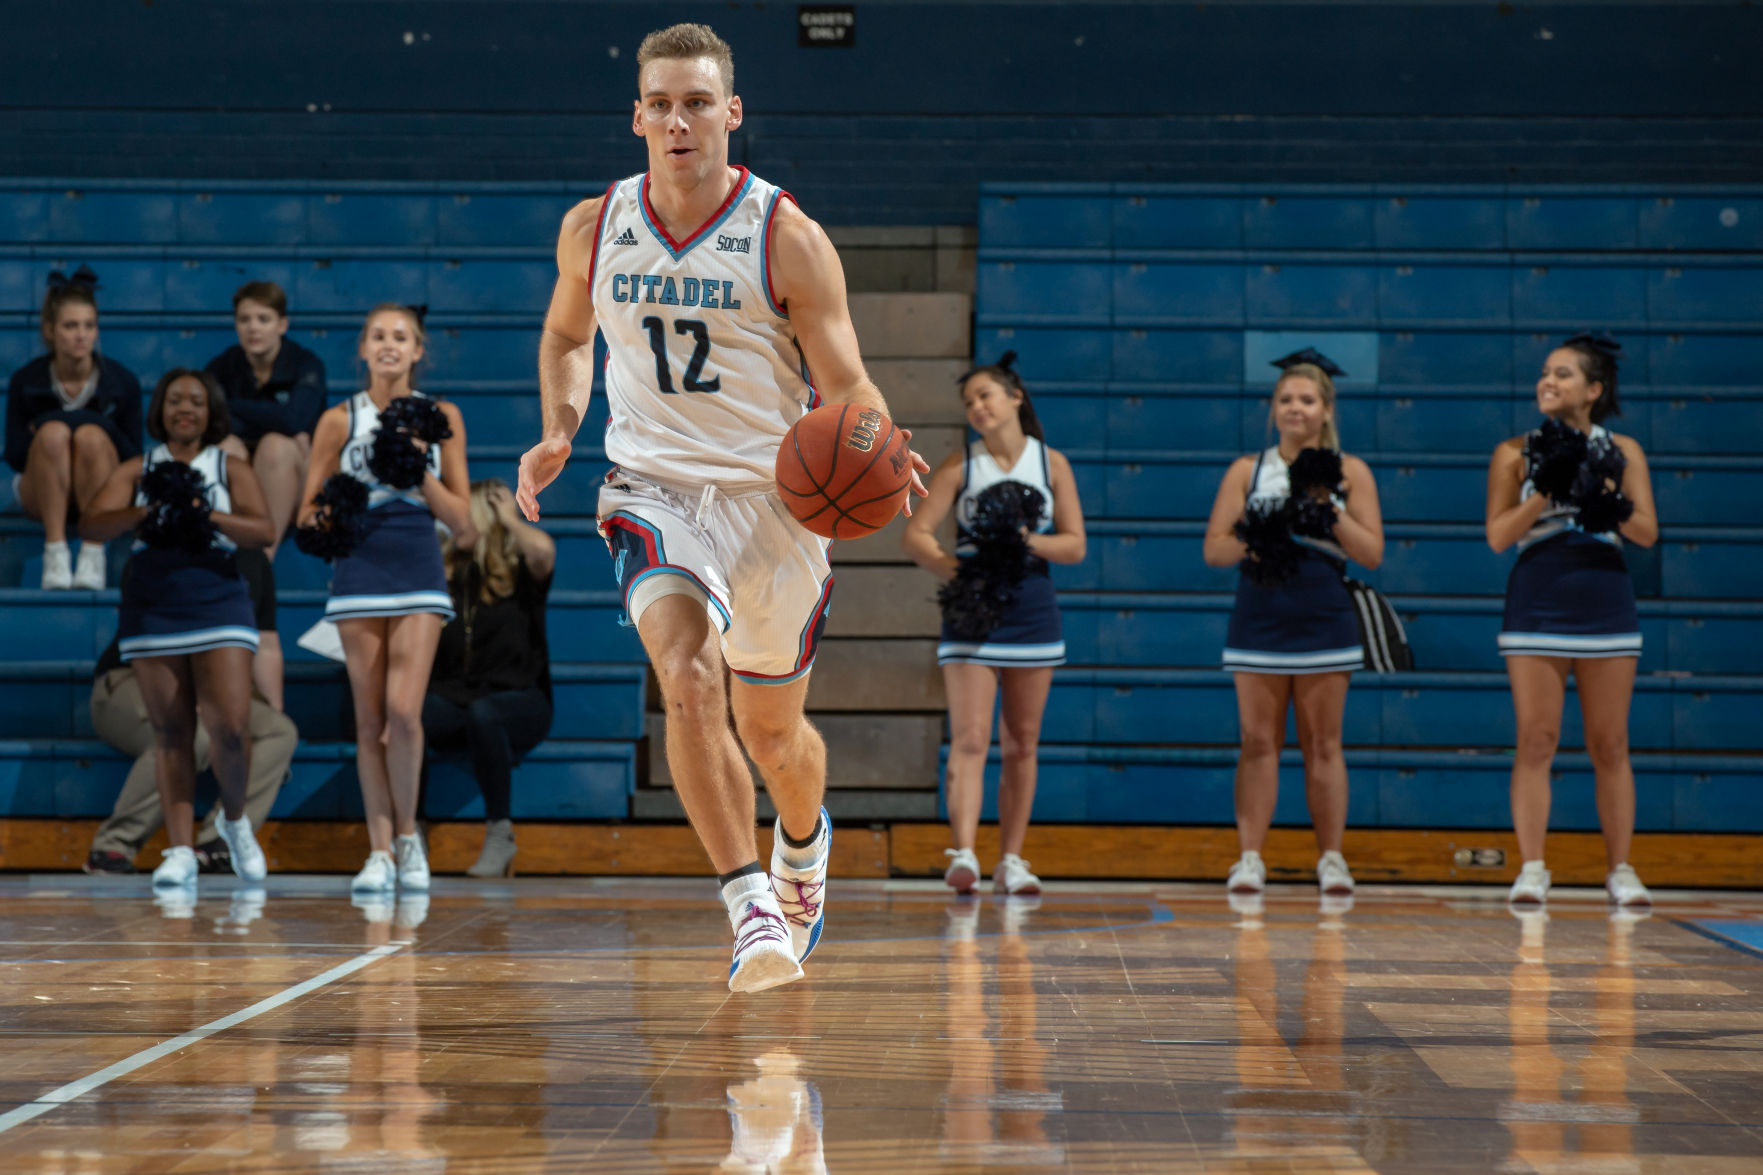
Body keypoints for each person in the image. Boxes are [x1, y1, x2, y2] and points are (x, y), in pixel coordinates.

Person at [515, 22, 927, 993]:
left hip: (775, 503)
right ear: (636, 117)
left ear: (731, 113)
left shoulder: (785, 234)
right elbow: (568, 336)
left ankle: (799, 842)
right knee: (687, 674)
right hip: (652, 487)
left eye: (696, 102)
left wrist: (880, 437)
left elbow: (847, 381)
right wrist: (562, 424)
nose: (677, 121)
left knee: (776, 737)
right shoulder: (594, 224)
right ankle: (748, 907)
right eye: (659, 103)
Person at [299, 304, 473, 897]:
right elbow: (305, 515)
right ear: (364, 350)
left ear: (418, 350)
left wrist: (415, 470)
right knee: (369, 719)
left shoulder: (441, 415)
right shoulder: (336, 420)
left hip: (418, 564)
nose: (389, 345)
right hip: (358, 567)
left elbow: (466, 523)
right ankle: (377, 851)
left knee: (403, 712)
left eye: (401, 337)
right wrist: (338, 505)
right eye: (379, 336)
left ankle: (407, 838)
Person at [78, 369, 275, 887]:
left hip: (219, 599)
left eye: (195, 400)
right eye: (174, 400)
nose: (184, 408)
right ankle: (181, 849)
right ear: (160, 410)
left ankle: (234, 824)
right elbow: (92, 525)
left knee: (230, 728)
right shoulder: (137, 467)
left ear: (211, 411)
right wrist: (148, 509)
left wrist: (204, 513)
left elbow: (264, 529)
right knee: (171, 733)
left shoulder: (229, 465)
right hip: (154, 605)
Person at [1201, 349, 1385, 898]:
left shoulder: (1351, 472)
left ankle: (1331, 859)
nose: (1295, 409)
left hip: (1323, 616)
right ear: (1273, 409)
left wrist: (1326, 509)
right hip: (1260, 616)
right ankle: (1250, 857)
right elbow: (1214, 549)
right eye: (1285, 400)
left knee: (1323, 743)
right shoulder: (1248, 470)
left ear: (1326, 410)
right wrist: (1263, 531)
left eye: (1307, 400)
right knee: (1258, 741)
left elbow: (1372, 552)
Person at [902, 353, 1086, 898]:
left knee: (1023, 741)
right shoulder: (963, 465)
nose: (977, 407)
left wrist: (1021, 542)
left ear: (1015, 399)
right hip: (974, 610)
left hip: (1032, 606)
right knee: (972, 737)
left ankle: (1011, 860)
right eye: (969, 402)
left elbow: (1075, 544)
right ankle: (963, 854)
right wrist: (958, 570)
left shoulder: (1052, 464)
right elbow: (917, 535)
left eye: (986, 395)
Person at [1485, 333, 1658, 907]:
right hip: (1537, 598)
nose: (1547, 382)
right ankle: (1533, 867)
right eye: (1544, 373)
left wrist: (1604, 493)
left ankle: (1621, 869)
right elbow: (1498, 536)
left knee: (1610, 742)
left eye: (1561, 374)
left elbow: (1646, 534)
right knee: (1537, 738)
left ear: (1593, 389)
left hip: (1605, 597)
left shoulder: (1624, 450)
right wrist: (1546, 493)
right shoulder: (1514, 451)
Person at [83, 548, 298, 875]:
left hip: (213, 685)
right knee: (187, 733)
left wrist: (269, 710)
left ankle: (218, 843)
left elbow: (266, 642)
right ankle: (113, 844)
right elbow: (146, 643)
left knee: (278, 731)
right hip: (133, 677)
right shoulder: (153, 552)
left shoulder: (251, 560)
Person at [424, 478, 555, 878]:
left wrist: (507, 519)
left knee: (486, 713)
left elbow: (543, 551)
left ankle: (500, 834)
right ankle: (407, 832)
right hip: (454, 698)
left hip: (519, 699)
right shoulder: (444, 575)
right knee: (406, 711)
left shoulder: (518, 573)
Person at [207, 280, 328, 706]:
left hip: (291, 480)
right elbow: (213, 424)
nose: (253, 328)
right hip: (248, 475)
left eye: (263, 319)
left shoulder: (305, 363)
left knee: (279, 446)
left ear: (282, 324)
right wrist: (274, 420)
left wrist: (236, 410)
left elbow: (296, 416)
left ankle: (259, 558)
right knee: (228, 447)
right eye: (244, 319)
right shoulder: (223, 366)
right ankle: (239, 543)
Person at [5, 266, 143, 589]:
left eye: (88, 326)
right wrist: (55, 432)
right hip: (44, 490)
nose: (81, 335)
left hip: (102, 490)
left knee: (90, 438)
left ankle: (92, 552)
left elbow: (133, 457)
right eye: (70, 326)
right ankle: (55, 552)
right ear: (50, 331)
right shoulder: (26, 381)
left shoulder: (122, 382)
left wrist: (75, 423)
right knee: (54, 436)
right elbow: (14, 455)